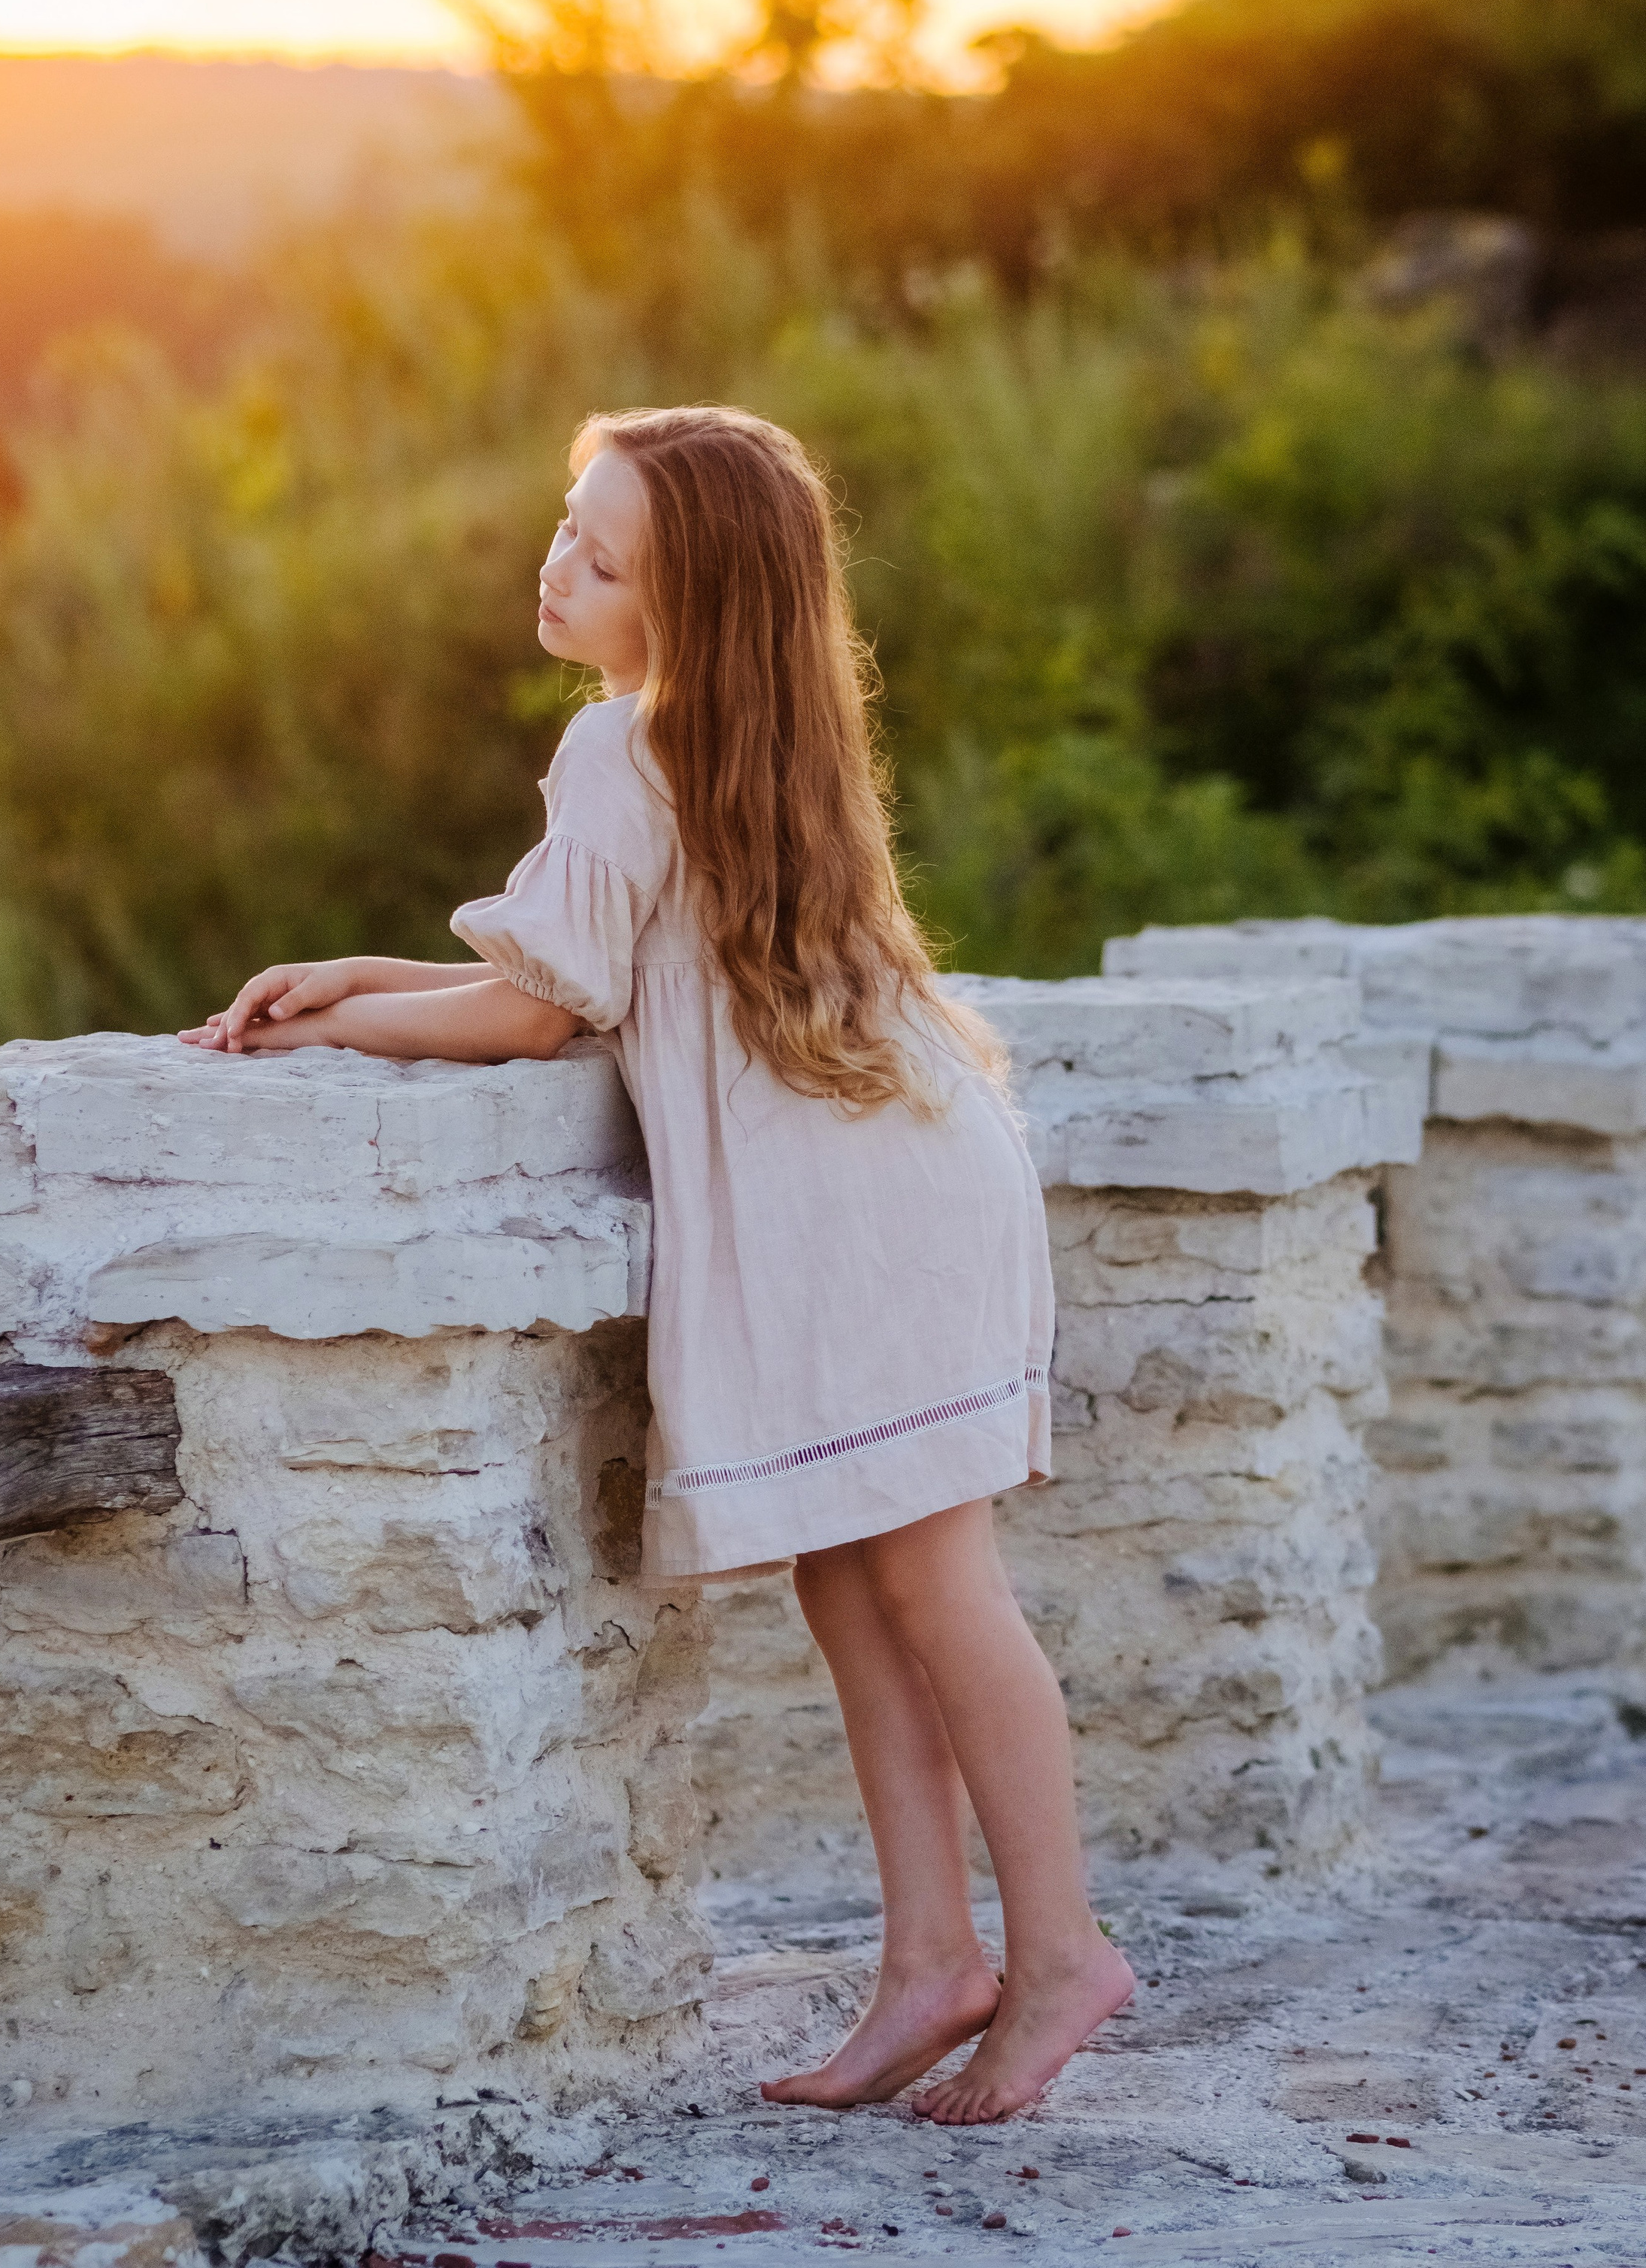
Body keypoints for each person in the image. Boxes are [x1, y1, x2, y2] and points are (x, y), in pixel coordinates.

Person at [181, 404, 1132, 2123]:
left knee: (931, 1584)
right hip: (910, 1164)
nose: (557, 567)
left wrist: (341, 1029)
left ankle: (1058, 1952)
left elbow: (533, 1009)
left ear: (683, 608)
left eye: (600, 559)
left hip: (860, 1201)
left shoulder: (622, 746)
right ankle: (932, 1962)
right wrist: (353, 976)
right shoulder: (736, 731)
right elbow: (595, 962)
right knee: (851, 1584)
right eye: (564, 525)